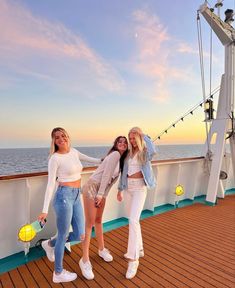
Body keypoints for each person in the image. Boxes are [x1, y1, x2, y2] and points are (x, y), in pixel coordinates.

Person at [38, 127, 101, 284]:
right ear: (54, 141)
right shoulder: (55, 158)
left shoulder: (74, 151)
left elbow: (91, 160)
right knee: (63, 235)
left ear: (67, 137)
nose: (61, 139)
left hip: (76, 196)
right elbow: (50, 184)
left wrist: (105, 160)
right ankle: (58, 273)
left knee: (81, 234)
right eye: (57, 137)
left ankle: (49, 244)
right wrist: (44, 211)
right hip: (63, 197)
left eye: (63, 135)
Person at [79, 136, 128, 280]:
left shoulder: (120, 160)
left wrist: (103, 195)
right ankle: (85, 260)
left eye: (125, 142)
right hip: (92, 187)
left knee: (99, 220)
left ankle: (101, 249)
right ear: (115, 145)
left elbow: (111, 181)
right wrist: (100, 194)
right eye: (120, 142)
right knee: (89, 224)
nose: (122, 144)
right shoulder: (115, 154)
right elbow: (106, 175)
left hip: (101, 191)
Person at [117, 127, 156, 279]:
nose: (132, 141)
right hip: (128, 189)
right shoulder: (128, 153)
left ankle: (133, 260)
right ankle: (139, 248)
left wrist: (143, 135)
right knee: (133, 221)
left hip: (140, 188)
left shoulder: (144, 152)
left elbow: (153, 150)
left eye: (134, 138)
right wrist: (120, 190)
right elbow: (123, 173)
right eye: (130, 138)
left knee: (133, 220)